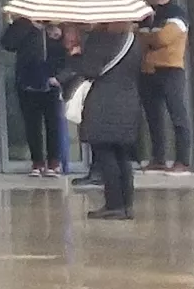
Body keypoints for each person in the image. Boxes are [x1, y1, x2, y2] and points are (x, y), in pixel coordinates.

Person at [62, 16, 145, 218]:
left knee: (106, 154)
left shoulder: (101, 39)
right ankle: (126, 205)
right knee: (123, 156)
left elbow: (89, 70)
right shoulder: (133, 39)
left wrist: (74, 52)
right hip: (129, 100)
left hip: (104, 103)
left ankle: (114, 205)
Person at [1, 9, 66, 177]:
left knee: (54, 122)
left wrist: (60, 76)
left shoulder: (59, 27)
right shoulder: (24, 25)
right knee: (32, 124)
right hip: (28, 81)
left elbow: (67, 54)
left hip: (52, 82)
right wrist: (25, 25)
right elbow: (8, 44)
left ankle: (54, 162)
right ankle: (37, 161)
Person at [138, 0, 194, 171]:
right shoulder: (146, 15)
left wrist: (147, 37)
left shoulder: (177, 13)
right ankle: (159, 158)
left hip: (171, 69)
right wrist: (149, 36)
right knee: (153, 117)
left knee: (177, 115)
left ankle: (183, 160)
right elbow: (138, 38)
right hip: (149, 70)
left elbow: (163, 38)